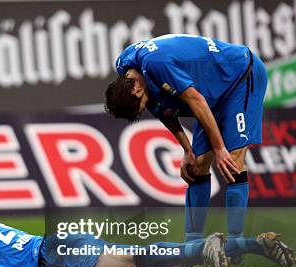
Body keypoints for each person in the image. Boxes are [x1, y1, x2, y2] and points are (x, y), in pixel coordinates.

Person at [104, 34, 267, 248]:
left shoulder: (155, 64)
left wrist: (219, 148)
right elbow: (161, 109)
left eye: (141, 105)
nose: (145, 109)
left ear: (135, 88)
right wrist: (187, 150)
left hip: (240, 75)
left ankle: (236, 246)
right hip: (212, 93)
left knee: (232, 161)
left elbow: (196, 100)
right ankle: (194, 247)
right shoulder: (126, 69)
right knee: (197, 166)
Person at [0, 217, 293, 267]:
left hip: (52, 255)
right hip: (56, 243)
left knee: (133, 262)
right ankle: (253, 243)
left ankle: (202, 250)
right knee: (140, 259)